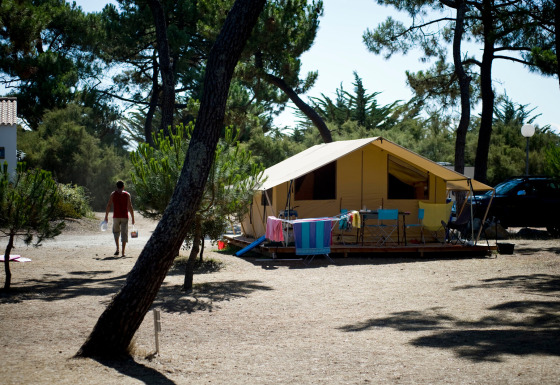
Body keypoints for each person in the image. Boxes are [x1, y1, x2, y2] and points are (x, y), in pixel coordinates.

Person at [104, 180, 135, 257]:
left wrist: (106, 216)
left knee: (116, 232)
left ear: (117, 186)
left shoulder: (113, 194)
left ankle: (117, 249)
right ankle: (123, 252)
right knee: (124, 233)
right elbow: (130, 206)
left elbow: (108, 205)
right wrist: (133, 218)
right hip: (124, 216)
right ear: (123, 186)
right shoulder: (127, 195)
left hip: (116, 217)